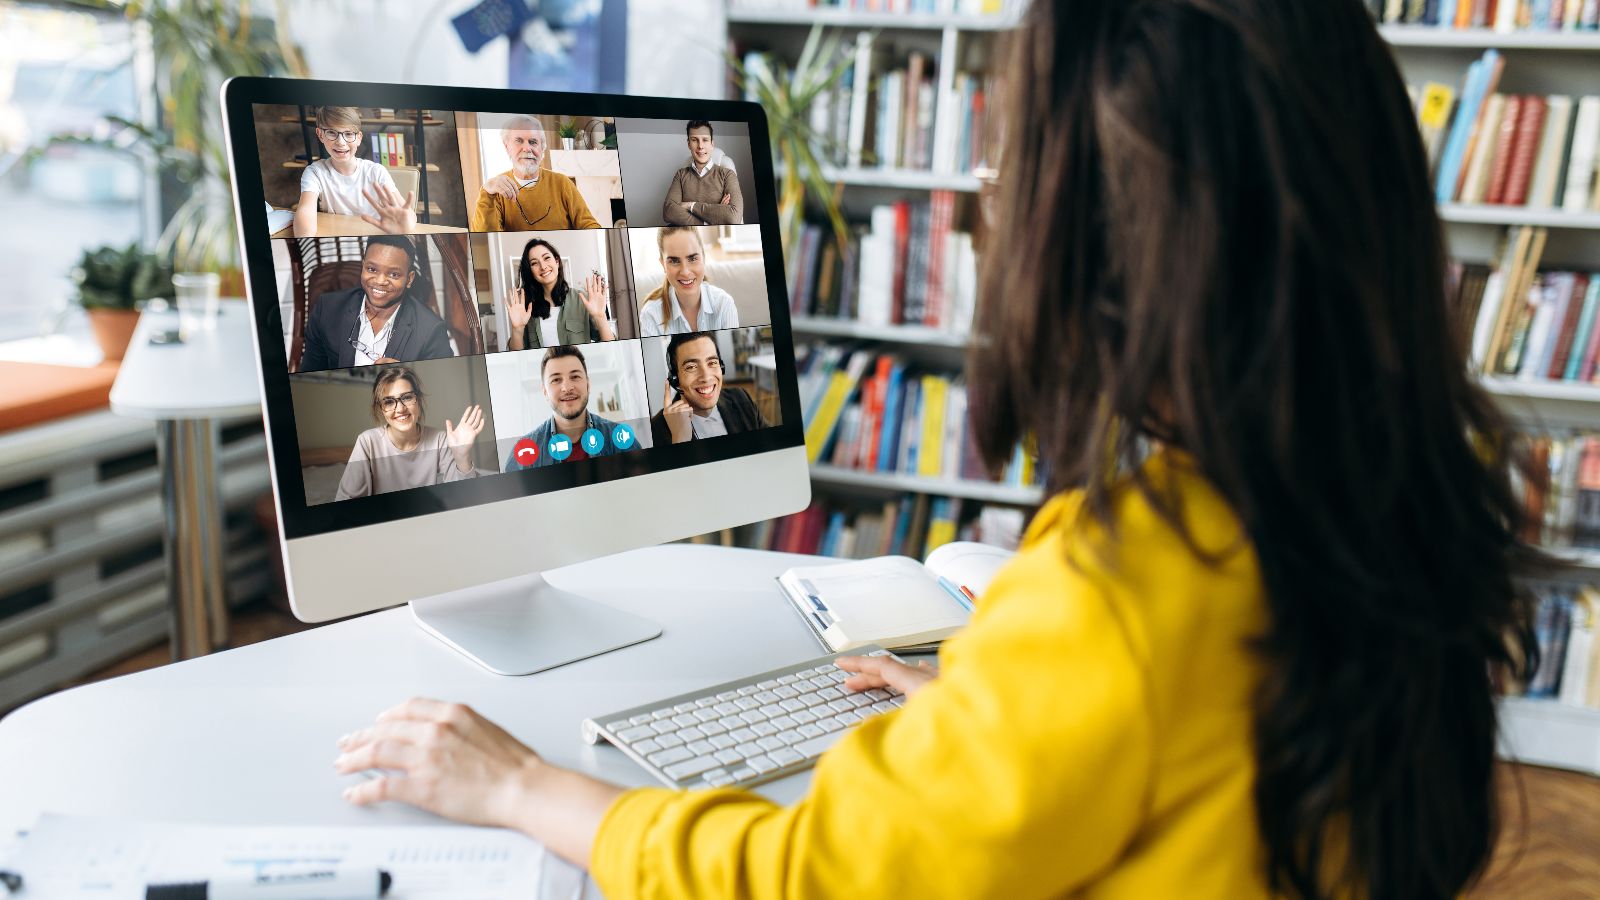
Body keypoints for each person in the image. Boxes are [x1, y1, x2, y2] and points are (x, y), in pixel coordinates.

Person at [333, 1, 1540, 897]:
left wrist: (525, 789)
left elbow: (816, 878)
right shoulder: (1378, 508)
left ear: (1111, 243)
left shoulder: (1123, 592)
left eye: (1009, 174)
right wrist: (1005, 716)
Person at [298, 236, 455, 373]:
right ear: (363, 267)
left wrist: (407, 376)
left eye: (394, 274)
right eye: (372, 269)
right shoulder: (327, 309)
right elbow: (309, 373)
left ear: (409, 279)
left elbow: (443, 387)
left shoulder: (431, 330)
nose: (380, 281)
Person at [334, 367, 485, 500]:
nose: (400, 409)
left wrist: (461, 456)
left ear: (418, 401)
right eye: (389, 402)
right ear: (381, 409)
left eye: (407, 397)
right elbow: (346, 501)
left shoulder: (439, 440)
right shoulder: (367, 442)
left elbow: (466, 495)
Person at [291, 105, 417, 237]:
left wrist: (406, 222)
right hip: (337, 240)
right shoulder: (315, 172)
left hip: (373, 240)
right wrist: (305, 240)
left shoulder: (376, 171)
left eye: (349, 134)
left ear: (359, 138)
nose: (341, 142)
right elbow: (305, 211)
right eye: (332, 132)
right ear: (320, 134)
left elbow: (406, 213)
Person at [502, 346, 628, 471]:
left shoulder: (620, 439)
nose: (567, 388)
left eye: (575, 377)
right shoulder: (523, 454)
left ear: (588, 385)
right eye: (556, 380)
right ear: (545, 391)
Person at [472, 116, 600, 231]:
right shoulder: (497, 191)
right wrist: (486, 192)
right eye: (519, 141)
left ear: (542, 148)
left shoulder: (562, 183)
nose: (527, 148)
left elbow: (589, 225)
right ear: (507, 147)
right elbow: (485, 236)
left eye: (533, 142)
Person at [650, 332, 767, 445]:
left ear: (721, 367)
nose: (706, 377)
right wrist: (680, 439)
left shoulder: (740, 397)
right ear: (675, 379)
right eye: (691, 367)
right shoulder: (655, 429)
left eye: (712, 363)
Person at [503, 237, 615, 350]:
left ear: (557, 261)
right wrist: (517, 329)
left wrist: (600, 317)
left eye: (546, 258)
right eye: (534, 263)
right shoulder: (526, 309)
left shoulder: (582, 300)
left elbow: (612, 350)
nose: (543, 266)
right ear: (530, 271)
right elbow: (517, 356)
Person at [637, 226, 740, 337]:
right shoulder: (651, 314)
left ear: (704, 257)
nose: (685, 272)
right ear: (663, 264)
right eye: (674, 261)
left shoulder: (724, 304)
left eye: (692, 258)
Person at [662, 120, 743, 226]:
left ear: (712, 144)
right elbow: (669, 212)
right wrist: (712, 219)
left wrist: (690, 206)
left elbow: (733, 217)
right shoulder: (680, 175)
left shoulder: (727, 175)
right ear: (689, 144)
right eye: (694, 140)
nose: (700, 146)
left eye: (705, 140)